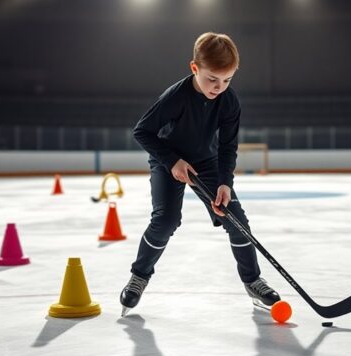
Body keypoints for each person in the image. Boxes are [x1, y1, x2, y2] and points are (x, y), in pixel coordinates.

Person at [120, 32, 280, 317]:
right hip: (168, 159)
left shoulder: (229, 101)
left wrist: (224, 183)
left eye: (227, 80)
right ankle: (139, 276)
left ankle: (253, 281)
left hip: (207, 162)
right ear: (194, 68)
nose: (219, 87)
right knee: (166, 220)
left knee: (236, 219)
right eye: (212, 79)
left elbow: (229, 145)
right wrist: (172, 162)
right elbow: (142, 131)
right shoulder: (176, 97)